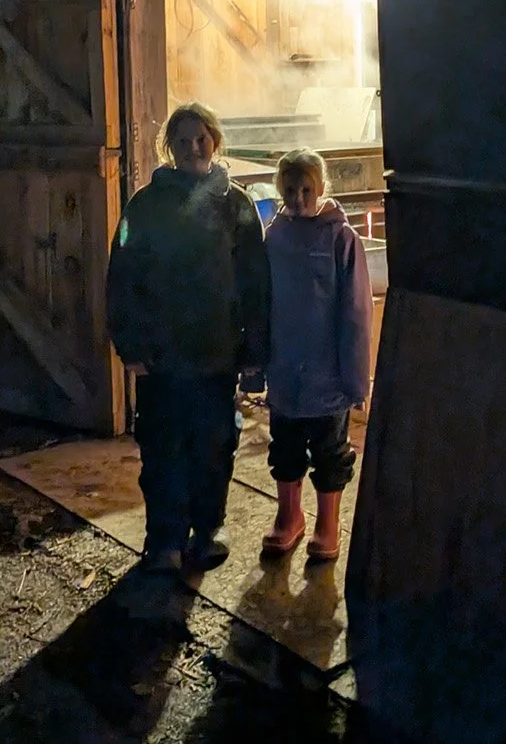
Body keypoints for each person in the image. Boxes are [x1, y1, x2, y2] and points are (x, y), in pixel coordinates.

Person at [106, 102, 270, 574]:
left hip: (217, 356)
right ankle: (164, 542)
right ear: (171, 148)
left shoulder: (236, 205)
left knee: (214, 448)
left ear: (215, 142)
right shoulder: (145, 204)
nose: (194, 147)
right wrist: (130, 344)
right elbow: (123, 275)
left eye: (201, 138)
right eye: (183, 140)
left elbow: (255, 283)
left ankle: (205, 533)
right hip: (160, 358)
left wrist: (255, 352)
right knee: (161, 449)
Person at [261, 148, 373, 561]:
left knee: (330, 451)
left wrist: (356, 379)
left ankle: (328, 523)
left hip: (328, 376)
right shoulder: (274, 236)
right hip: (285, 371)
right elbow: (261, 303)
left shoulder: (342, 239)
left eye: (307, 189)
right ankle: (289, 516)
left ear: (322, 188)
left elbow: (357, 312)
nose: (299, 198)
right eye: (290, 190)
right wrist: (257, 369)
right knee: (285, 448)